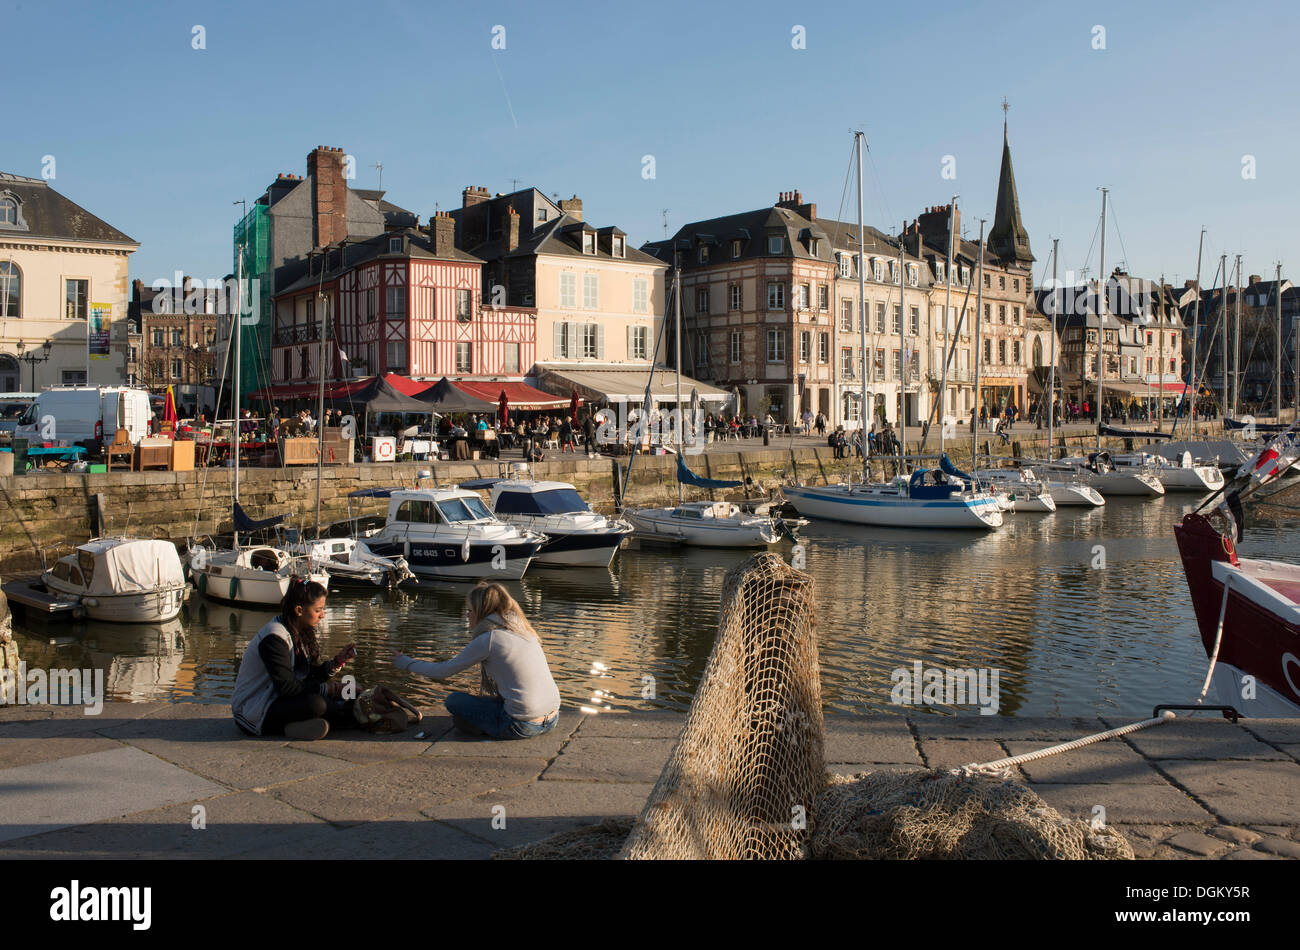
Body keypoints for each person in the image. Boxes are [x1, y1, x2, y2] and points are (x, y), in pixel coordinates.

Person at [391, 582, 560, 740]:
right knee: (482, 704)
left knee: (454, 701)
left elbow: (443, 671)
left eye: (470, 610)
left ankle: (482, 727)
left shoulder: (490, 639)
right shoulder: (522, 629)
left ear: (481, 612)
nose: (467, 615)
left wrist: (406, 662)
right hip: (552, 718)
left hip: (522, 725)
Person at [231, 578, 357, 740]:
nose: (323, 615)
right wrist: (331, 689)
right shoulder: (274, 638)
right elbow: (288, 687)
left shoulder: (299, 630)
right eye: (318, 610)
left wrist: (336, 662)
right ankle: (295, 726)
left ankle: (305, 724)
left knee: (349, 693)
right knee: (318, 704)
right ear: (299, 610)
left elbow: (307, 676)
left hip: (280, 700)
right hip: (254, 711)